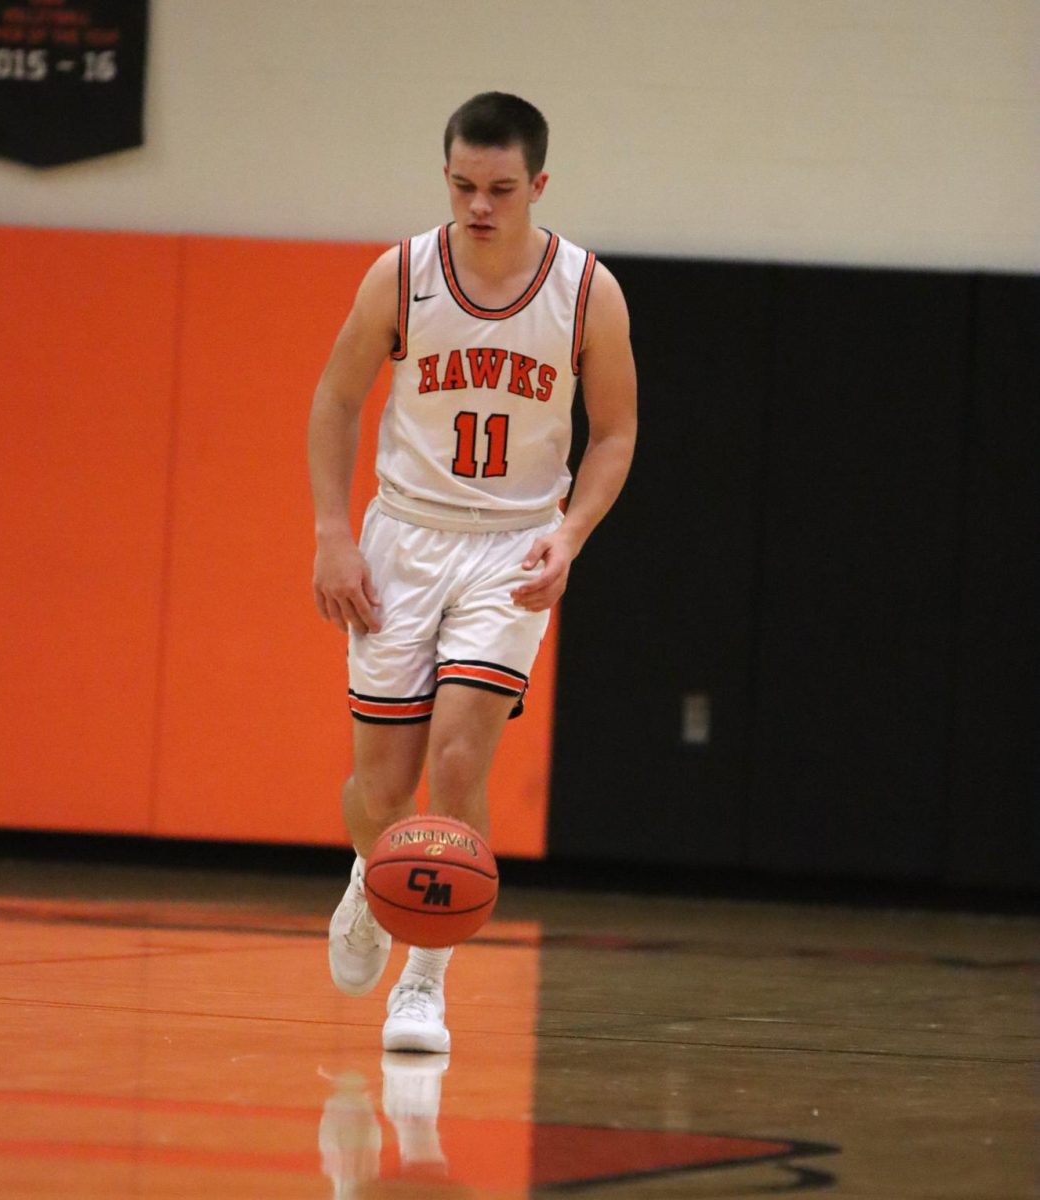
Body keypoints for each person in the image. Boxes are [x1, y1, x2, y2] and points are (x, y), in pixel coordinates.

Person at [308, 91, 636, 1053]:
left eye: (499, 188)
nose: (479, 206)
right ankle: (371, 879)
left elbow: (614, 432)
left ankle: (426, 980)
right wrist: (333, 533)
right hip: (402, 538)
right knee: (383, 785)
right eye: (462, 186)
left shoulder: (587, 291)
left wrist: (570, 535)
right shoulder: (402, 274)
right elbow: (333, 402)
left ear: (537, 184)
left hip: (512, 547)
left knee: (457, 761)